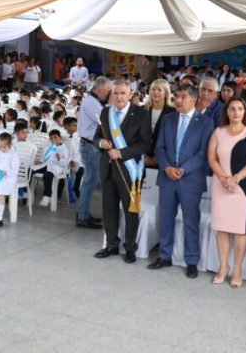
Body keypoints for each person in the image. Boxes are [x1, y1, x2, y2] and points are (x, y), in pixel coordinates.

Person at [149, 85, 213, 277]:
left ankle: (192, 260)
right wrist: (167, 167)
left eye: (182, 97)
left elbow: (203, 153)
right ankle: (165, 256)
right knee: (166, 218)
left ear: (194, 99)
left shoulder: (205, 122)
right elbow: (159, 147)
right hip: (167, 177)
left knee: (191, 221)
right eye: (176, 97)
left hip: (190, 179)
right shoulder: (167, 119)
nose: (177, 100)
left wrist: (183, 170)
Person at [94, 79, 153, 263]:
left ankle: (130, 247)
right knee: (109, 209)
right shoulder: (105, 113)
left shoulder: (142, 114)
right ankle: (111, 245)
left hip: (130, 171)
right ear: (112, 94)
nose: (119, 97)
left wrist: (121, 152)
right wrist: (101, 143)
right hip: (108, 170)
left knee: (130, 211)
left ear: (130, 95)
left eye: (123, 93)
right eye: (116, 93)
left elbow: (145, 144)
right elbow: (96, 138)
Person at [208, 97, 246, 288]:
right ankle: (223, 267)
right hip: (220, 185)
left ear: (245, 112)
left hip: (242, 187)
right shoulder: (218, 132)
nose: (236, 112)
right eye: (233, 109)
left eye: (240, 109)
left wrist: (235, 178)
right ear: (227, 112)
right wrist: (224, 178)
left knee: (240, 231)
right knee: (222, 229)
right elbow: (212, 158)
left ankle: (237, 269)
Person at [75, 77, 110, 229]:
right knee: (90, 181)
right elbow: (106, 119)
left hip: (90, 145)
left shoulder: (93, 101)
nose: (109, 94)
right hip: (90, 146)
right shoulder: (92, 102)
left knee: (91, 181)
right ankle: (82, 216)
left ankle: (84, 213)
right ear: (100, 90)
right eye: (108, 92)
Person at [144, 79, 173, 168]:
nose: (155, 92)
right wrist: (143, 155)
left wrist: (160, 156)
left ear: (166, 93)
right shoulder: (141, 110)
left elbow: (173, 139)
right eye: (153, 89)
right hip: (142, 159)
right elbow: (134, 136)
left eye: (159, 90)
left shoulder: (173, 112)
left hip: (165, 161)